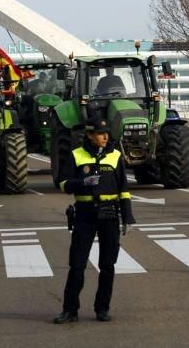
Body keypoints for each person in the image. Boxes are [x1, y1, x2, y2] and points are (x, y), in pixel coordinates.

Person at [53, 116, 135, 324]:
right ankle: (69, 310)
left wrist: (127, 217)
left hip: (109, 214)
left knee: (107, 265)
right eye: (100, 133)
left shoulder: (116, 156)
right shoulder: (76, 155)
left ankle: (102, 308)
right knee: (77, 265)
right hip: (85, 214)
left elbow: (123, 189)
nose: (105, 137)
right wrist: (82, 182)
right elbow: (62, 184)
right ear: (90, 135)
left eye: (106, 133)